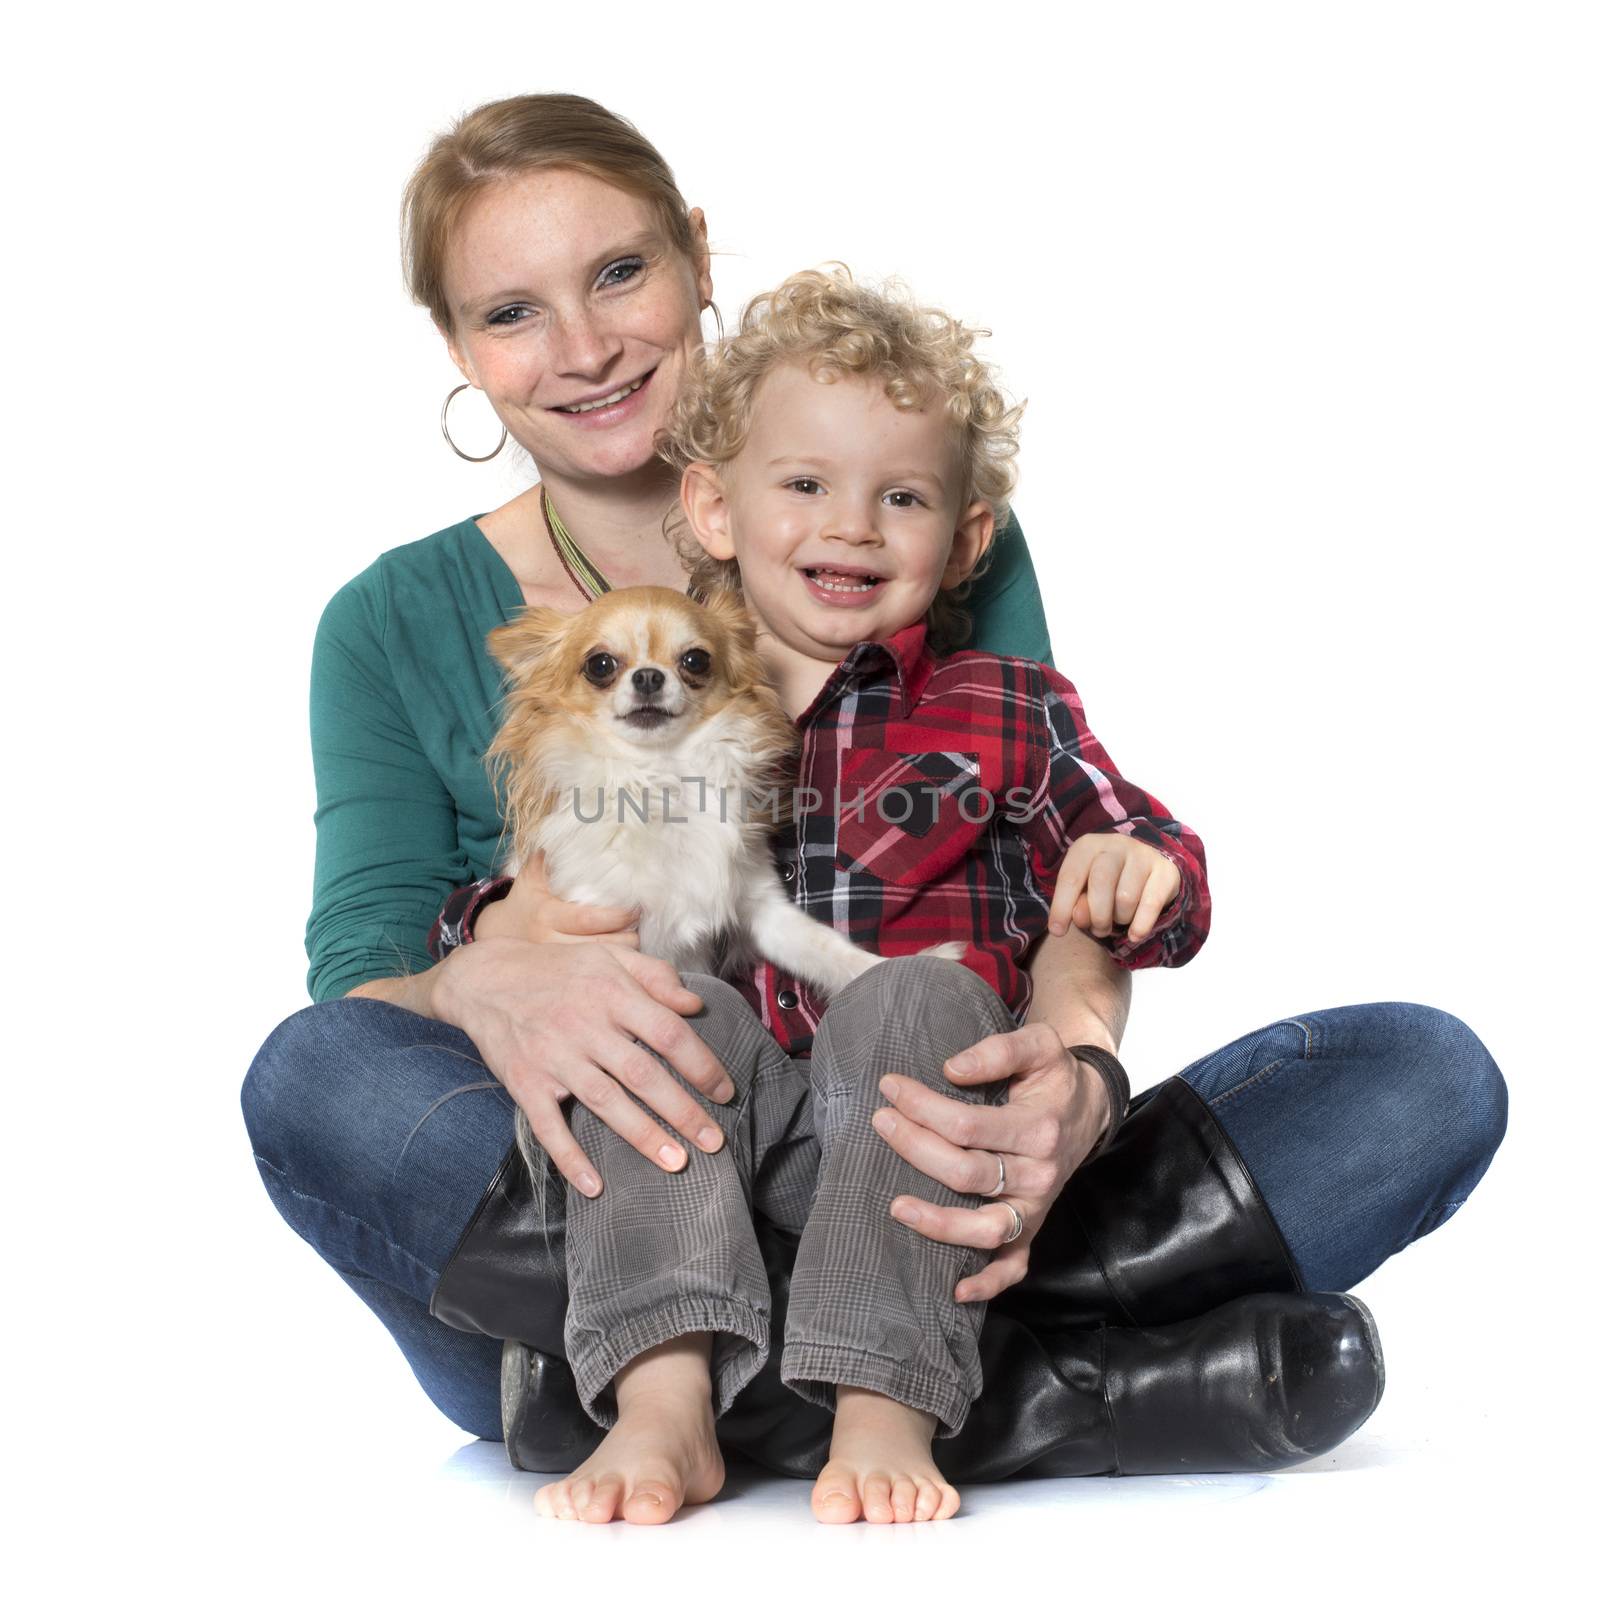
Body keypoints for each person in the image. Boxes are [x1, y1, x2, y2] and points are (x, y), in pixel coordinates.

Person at [239, 93, 1508, 1520]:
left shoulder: (919, 520)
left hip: (924, 1136)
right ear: (460, 349)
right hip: (622, 1171)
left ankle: (759, 1384)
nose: (584, 349)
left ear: (697, 257)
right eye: (512, 312)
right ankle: (1024, 1384)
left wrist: (1075, 1083)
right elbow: (357, 983)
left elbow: (1059, 854)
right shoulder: (392, 622)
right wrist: (492, 974)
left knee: (1421, 1079)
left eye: (617, 274)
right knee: (314, 1081)